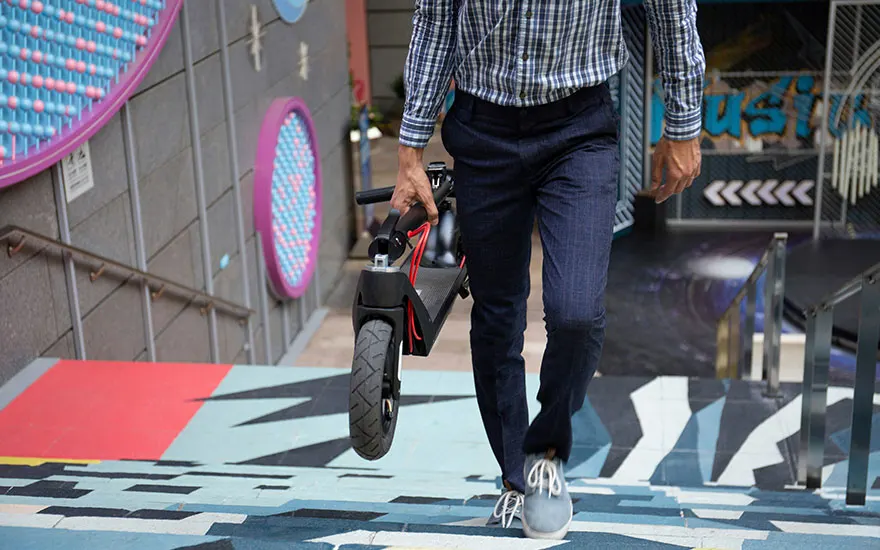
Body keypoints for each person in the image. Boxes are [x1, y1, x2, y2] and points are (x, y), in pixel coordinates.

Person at [392, 0, 704, 540]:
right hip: (482, 127)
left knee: (576, 312)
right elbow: (437, 17)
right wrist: (411, 147)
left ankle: (548, 448)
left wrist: (684, 123)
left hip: (578, 129)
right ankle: (522, 475)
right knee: (497, 314)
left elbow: (671, 9)